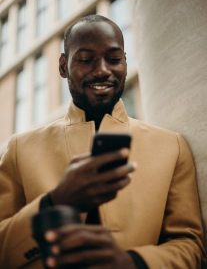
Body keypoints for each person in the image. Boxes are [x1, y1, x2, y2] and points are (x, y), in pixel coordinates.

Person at [0, 15, 205, 269]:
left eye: (114, 59)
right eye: (86, 59)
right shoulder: (21, 149)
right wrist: (56, 202)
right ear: (63, 66)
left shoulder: (171, 147)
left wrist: (132, 262)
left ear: (126, 64)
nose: (102, 70)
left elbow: (190, 244)